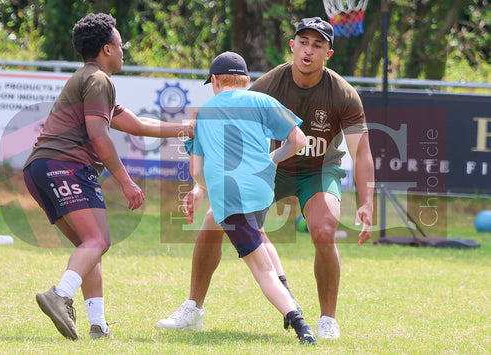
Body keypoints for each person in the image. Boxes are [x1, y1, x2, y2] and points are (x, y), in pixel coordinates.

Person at [156, 17, 374, 340]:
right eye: (303, 43)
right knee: (214, 218)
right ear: (292, 46)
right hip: (268, 169)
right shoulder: (268, 86)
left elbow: (362, 152)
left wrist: (367, 202)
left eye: (317, 45)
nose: (308, 51)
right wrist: (200, 189)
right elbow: (224, 141)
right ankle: (193, 308)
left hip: (317, 170)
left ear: (328, 53)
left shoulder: (343, 93)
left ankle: (328, 319)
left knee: (325, 231)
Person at [23, 13, 194, 340]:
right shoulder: (100, 80)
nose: (122, 50)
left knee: (90, 247)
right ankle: (59, 295)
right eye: (119, 45)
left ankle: (99, 327)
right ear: (106, 49)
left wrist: (186, 128)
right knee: (98, 241)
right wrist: (126, 182)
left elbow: (139, 124)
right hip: (65, 165)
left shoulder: (91, 81)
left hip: (41, 168)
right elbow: (99, 135)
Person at [166, 51, 315, 344]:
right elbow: (298, 140)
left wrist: (204, 187)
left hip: (230, 197)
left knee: (261, 270)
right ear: (246, 81)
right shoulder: (262, 100)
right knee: (257, 233)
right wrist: (269, 160)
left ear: (215, 81)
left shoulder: (202, 113)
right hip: (261, 189)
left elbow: (197, 172)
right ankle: (285, 292)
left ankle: (298, 321)